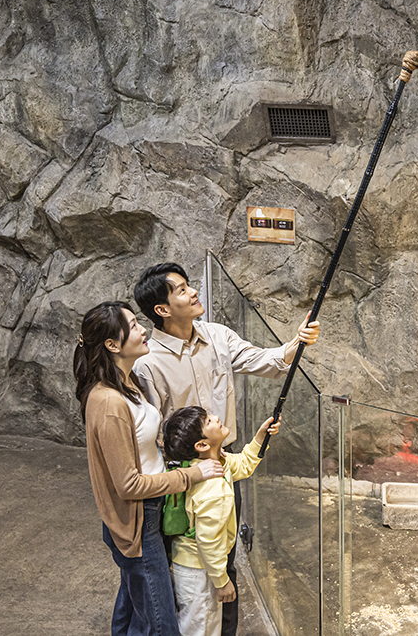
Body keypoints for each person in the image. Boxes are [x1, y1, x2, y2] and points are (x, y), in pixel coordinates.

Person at [132, 262, 320, 635]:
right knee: (182, 562)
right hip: (180, 475)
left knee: (225, 554)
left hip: (222, 462)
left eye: (190, 285)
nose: (194, 292)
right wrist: (180, 475)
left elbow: (265, 360)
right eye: (182, 289)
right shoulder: (147, 362)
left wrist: (296, 343)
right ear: (162, 309)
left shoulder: (217, 335)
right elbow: (152, 430)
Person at [74, 301, 225, 636]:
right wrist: (191, 474)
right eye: (134, 325)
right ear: (112, 345)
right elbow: (128, 484)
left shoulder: (126, 384)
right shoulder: (109, 402)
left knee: (131, 611)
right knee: (161, 624)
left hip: (150, 513)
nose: (144, 329)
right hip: (138, 522)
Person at [162, 406, 281, 636]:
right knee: (201, 629)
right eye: (208, 421)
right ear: (203, 445)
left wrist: (261, 436)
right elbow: (208, 540)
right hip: (199, 571)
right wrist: (222, 580)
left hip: (195, 566)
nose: (216, 418)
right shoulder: (213, 487)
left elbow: (244, 464)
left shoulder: (208, 465)